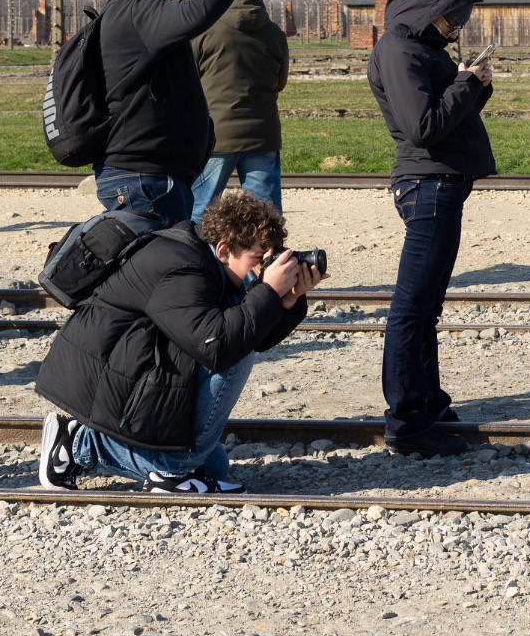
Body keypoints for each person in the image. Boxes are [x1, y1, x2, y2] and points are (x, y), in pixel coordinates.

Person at [33, 189, 324, 493]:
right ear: (224, 250)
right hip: (106, 379)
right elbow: (218, 346)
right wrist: (267, 292)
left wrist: (286, 301)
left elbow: (255, 335)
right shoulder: (182, 266)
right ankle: (80, 444)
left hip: (134, 369)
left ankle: (163, 464)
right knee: (235, 357)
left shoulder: (212, 262)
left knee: (214, 469)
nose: (264, 267)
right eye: (257, 258)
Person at [365, 0, 495, 458]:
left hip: (437, 182)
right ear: (428, 7)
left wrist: (472, 87)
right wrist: (463, 85)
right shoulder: (399, 50)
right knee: (412, 307)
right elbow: (423, 127)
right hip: (427, 184)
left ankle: (428, 402)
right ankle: (407, 420)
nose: (455, 27)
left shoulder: (416, 47)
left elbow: (443, 117)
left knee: (426, 307)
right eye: (451, 17)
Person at [93, 0, 279, 227]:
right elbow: (196, 13)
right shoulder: (137, 8)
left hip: (152, 175)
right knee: (161, 270)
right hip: (143, 178)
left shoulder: (142, 6)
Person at [188, 0, 290, 217]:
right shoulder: (274, 33)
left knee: (199, 212)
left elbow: (188, 82)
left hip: (215, 136)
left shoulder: (205, 30)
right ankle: (266, 254)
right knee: (265, 216)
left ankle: (197, 253)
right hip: (263, 134)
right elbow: (280, 83)